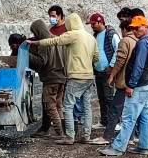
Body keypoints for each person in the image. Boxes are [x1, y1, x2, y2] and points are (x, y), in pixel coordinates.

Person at [32, 13, 101, 144]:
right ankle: (86, 135)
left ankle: (69, 136)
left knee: (68, 106)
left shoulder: (73, 35)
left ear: (70, 24)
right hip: (89, 77)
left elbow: (54, 41)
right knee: (87, 107)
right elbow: (96, 57)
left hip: (76, 76)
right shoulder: (90, 37)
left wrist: (37, 42)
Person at [103, 16, 148, 156]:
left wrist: (131, 85)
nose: (135, 30)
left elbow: (138, 66)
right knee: (144, 116)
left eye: (137, 27)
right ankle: (145, 146)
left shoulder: (142, 44)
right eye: (133, 28)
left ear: (145, 26)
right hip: (147, 84)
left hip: (138, 86)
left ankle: (118, 147)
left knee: (128, 118)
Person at [29, 18, 68, 138]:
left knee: (49, 106)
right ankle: (64, 131)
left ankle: (60, 133)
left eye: (34, 32)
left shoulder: (44, 43)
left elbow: (41, 62)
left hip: (51, 78)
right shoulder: (56, 39)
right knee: (58, 105)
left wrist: (27, 55)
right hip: (62, 77)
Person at [90, 12, 122, 138]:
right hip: (98, 71)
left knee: (109, 98)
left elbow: (118, 50)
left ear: (100, 22)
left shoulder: (111, 34)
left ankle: (115, 122)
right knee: (102, 97)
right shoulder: (96, 35)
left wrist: (111, 66)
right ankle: (104, 120)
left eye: (94, 24)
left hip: (107, 71)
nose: (92, 26)